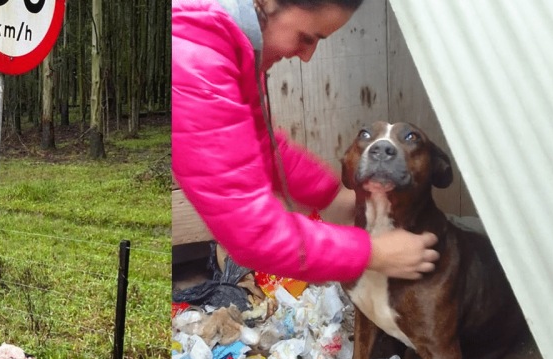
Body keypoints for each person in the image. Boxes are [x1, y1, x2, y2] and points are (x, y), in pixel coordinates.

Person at [172, 0, 440, 283]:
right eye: (306, 38)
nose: (307, 56)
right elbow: (250, 232)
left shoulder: (230, 43)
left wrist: (332, 195)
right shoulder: (196, 57)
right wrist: (373, 254)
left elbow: (265, 147)